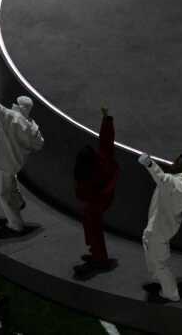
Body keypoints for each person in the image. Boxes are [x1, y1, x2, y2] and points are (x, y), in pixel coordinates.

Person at [0, 79, 44, 239]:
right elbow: (39, 144)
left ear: (20, 106)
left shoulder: (11, 117)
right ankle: (18, 201)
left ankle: (16, 225)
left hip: (3, 161)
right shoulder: (31, 127)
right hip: (16, 162)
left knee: (2, 193)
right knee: (10, 182)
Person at [138, 152, 182, 303]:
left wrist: (149, 163)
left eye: (177, 161)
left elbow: (162, 178)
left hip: (157, 227)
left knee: (159, 264)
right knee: (155, 255)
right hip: (166, 227)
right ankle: (162, 280)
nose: (173, 162)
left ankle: (171, 293)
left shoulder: (172, 182)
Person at [73, 108, 120, 277]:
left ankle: (99, 259)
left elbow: (83, 194)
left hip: (96, 204)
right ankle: (96, 254)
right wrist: (107, 120)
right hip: (101, 200)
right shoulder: (103, 159)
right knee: (93, 230)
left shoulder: (88, 177)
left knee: (95, 231)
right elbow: (106, 141)